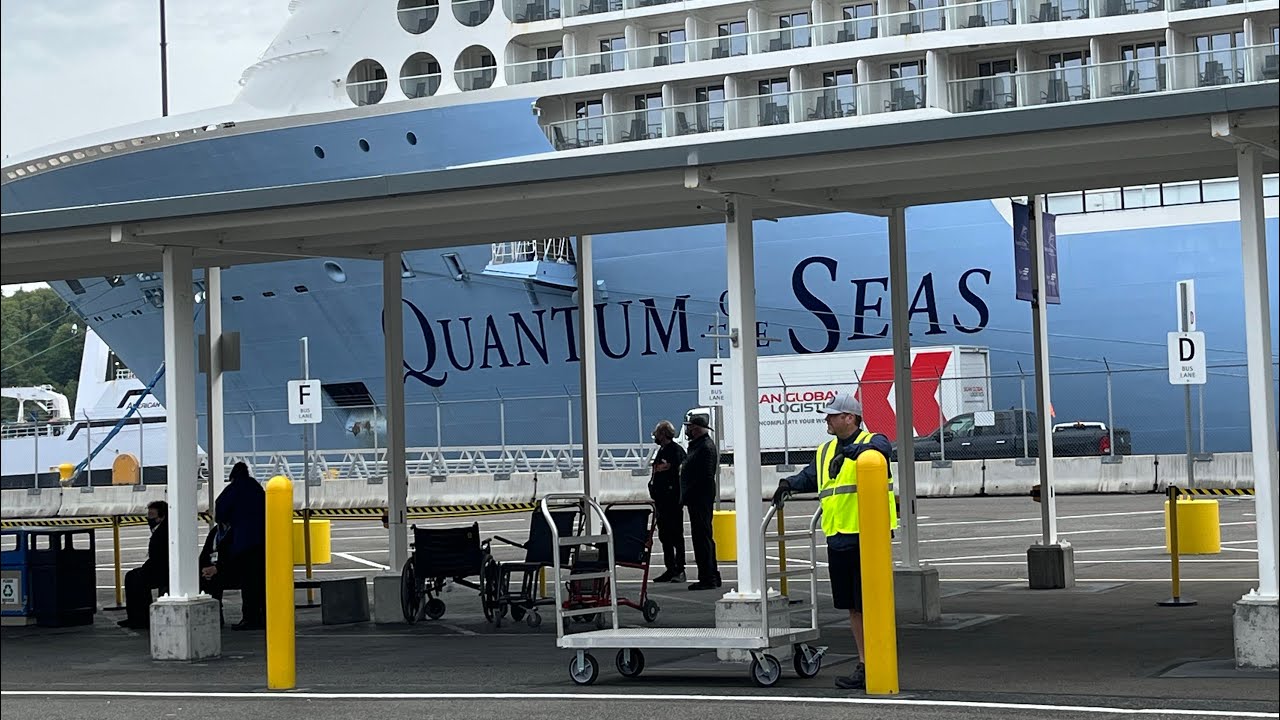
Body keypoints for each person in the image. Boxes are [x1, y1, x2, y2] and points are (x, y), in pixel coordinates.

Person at [771, 392, 898, 691]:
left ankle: (878, 662)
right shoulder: (825, 450)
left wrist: (851, 452)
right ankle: (865, 663)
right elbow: (812, 476)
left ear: (850, 418)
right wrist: (789, 483)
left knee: (871, 604)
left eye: (832, 415)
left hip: (868, 538)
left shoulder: (872, 442)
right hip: (838, 537)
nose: (826, 419)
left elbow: (882, 450)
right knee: (853, 608)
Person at [199, 462, 266, 629]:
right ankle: (258, 617)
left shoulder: (232, 490)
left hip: (243, 543)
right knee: (255, 583)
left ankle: (243, 618)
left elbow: (221, 508)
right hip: (261, 541)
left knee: (248, 582)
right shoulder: (257, 489)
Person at [680, 414, 721, 591]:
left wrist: (688, 493)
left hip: (700, 498)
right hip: (698, 497)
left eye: (690, 427)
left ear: (696, 428)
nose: (688, 430)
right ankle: (711, 574)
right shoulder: (699, 446)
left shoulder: (704, 447)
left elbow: (704, 476)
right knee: (703, 535)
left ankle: (708, 576)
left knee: (702, 536)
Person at [118, 500, 168, 630]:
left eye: (152, 515)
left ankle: (140, 618)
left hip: (163, 569)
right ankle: (136, 617)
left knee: (136, 578)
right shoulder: (159, 529)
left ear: (161, 517)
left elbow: (159, 558)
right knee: (132, 576)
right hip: (158, 566)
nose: (148, 518)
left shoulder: (163, 532)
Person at [648, 420, 687, 583]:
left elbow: (678, 474)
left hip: (672, 501)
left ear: (663, 434)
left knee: (676, 535)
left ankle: (680, 569)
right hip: (661, 501)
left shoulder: (675, 451)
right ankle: (670, 568)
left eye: (657, 433)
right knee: (665, 536)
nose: (655, 436)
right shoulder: (662, 451)